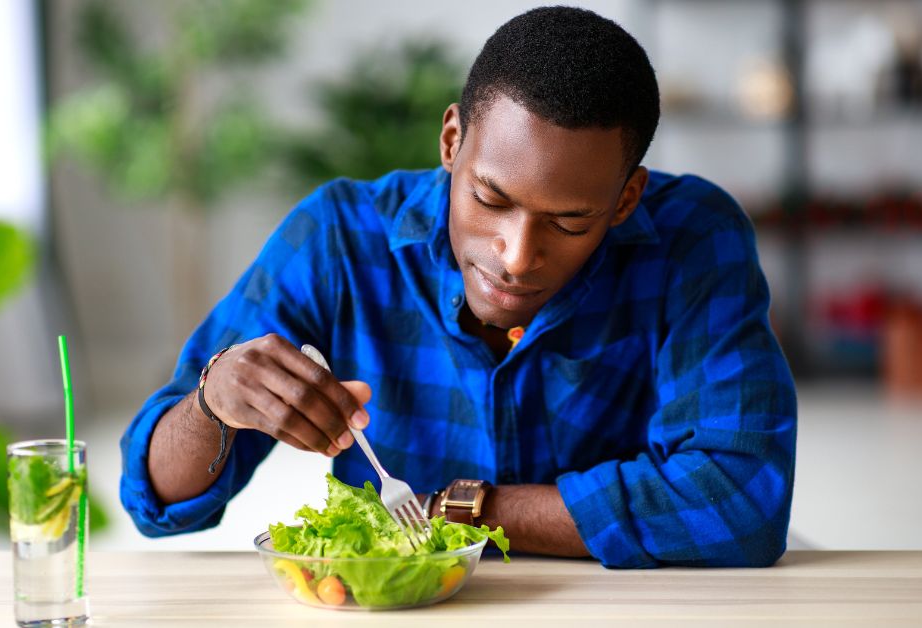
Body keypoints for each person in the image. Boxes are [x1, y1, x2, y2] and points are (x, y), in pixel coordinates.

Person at [120, 6, 796, 568]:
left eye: (569, 221)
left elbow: (741, 499)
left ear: (625, 201)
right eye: (490, 197)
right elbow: (154, 502)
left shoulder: (692, 240)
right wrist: (214, 401)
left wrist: (470, 513)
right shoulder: (339, 239)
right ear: (451, 142)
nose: (517, 255)